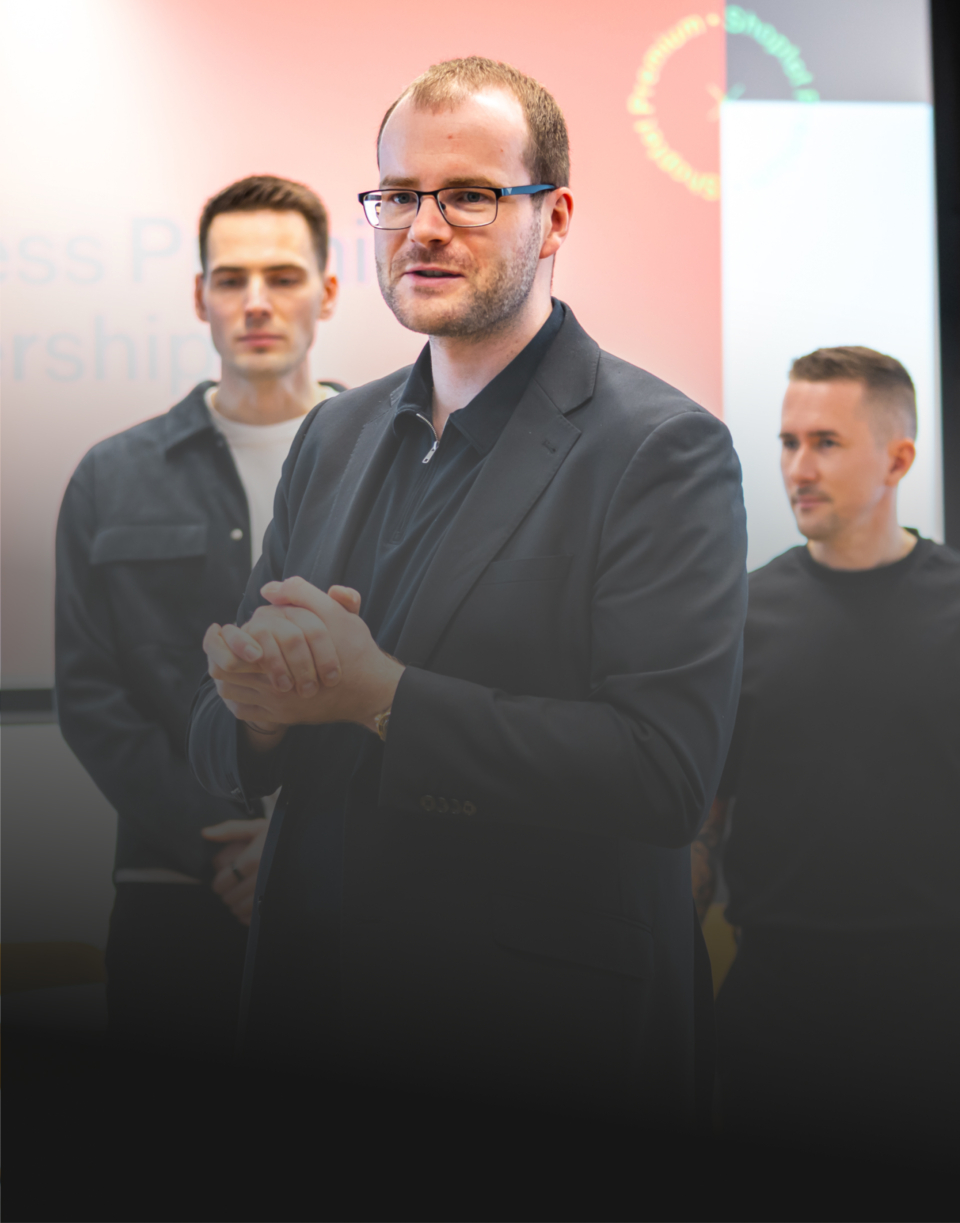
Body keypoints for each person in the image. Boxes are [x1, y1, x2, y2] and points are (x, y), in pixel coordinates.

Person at [189, 57, 747, 1124]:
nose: (425, 228)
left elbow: (664, 774)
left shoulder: (661, 449)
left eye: (471, 196)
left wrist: (382, 697)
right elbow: (220, 742)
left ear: (556, 217)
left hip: (539, 1031)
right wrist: (254, 711)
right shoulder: (335, 434)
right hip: (312, 999)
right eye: (400, 195)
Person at [55, 174, 341, 1053]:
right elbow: (91, 695)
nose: (256, 302)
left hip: (357, 897)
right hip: (176, 898)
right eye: (231, 279)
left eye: (283, 277)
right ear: (199, 296)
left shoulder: (405, 462)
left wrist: (301, 850)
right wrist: (218, 844)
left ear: (328, 292)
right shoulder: (112, 476)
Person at [693, 347, 960, 1153]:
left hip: (934, 1011)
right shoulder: (743, 616)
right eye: (788, 442)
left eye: (826, 443)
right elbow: (706, 819)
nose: (797, 468)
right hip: (775, 1012)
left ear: (898, 459)